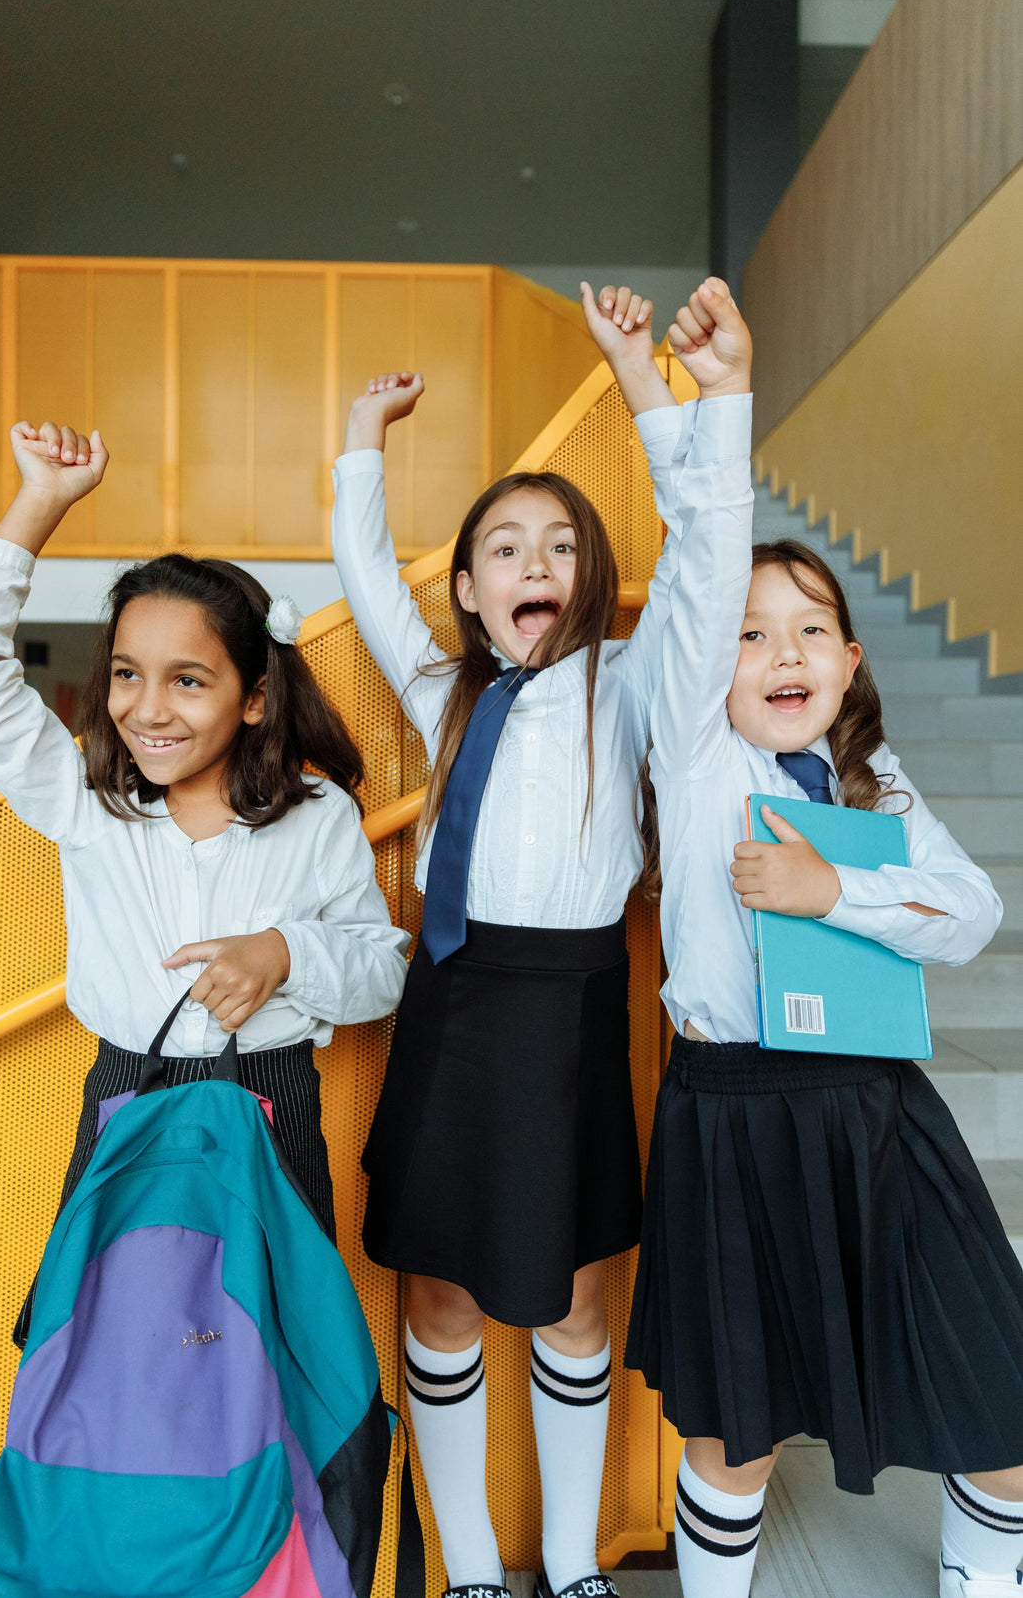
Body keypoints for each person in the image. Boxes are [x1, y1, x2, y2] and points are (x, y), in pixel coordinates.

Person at [625, 279, 1023, 1598]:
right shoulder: (690, 753)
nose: (780, 650)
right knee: (736, 1430)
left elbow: (972, 914)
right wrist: (716, 401)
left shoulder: (873, 780)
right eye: (749, 635)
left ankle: (986, 1578)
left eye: (808, 631)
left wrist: (829, 892)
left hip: (878, 1110)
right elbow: (698, 569)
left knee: (998, 1389)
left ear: (851, 662)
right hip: (733, 1111)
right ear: (709, 664)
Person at [330, 286, 697, 1598]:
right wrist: (364, 439)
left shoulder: (634, 677)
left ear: (589, 575)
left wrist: (635, 374)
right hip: (452, 1004)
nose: (534, 563)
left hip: (576, 1008)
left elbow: (707, 546)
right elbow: (365, 573)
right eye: (505, 547)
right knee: (436, 1297)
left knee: (571, 1299)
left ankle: (568, 1564)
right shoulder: (442, 689)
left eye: (558, 544)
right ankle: (477, 1569)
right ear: (473, 591)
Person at [0, 417, 410, 1346]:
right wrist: (41, 502)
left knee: (271, 1358)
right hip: (125, 1100)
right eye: (126, 676)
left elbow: (383, 969)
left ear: (255, 696)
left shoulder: (316, 815)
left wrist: (286, 954)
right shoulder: (86, 802)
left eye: (189, 680)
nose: (148, 709)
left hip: (273, 1109)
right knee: (109, 1352)